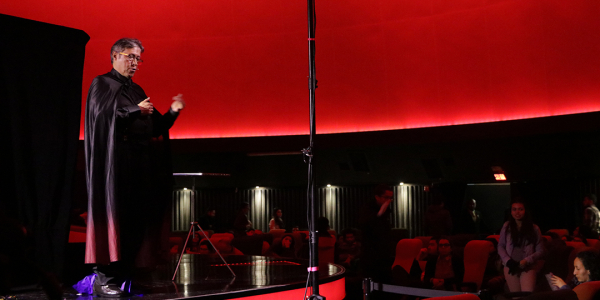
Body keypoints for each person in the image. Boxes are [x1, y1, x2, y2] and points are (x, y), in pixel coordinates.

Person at [84, 38, 186, 296]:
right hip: (116, 164)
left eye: (138, 58)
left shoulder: (138, 89)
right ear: (115, 55)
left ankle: (125, 276)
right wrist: (133, 110)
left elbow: (156, 128)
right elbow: (102, 118)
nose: (135, 63)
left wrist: (172, 112)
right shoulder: (101, 83)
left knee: (136, 220)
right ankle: (104, 278)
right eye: (130, 56)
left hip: (141, 164)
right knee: (116, 217)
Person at [498, 198, 544, 292]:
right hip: (511, 266)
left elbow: (540, 250)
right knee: (515, 296)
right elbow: (500, 246)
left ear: (525, 211)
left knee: (527, 295)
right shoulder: (507, 226)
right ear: (511, 211)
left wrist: (526, 260)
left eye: (520, 209)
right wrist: (508, 261)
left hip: (527, 266)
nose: (517, 212)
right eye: (514, 209)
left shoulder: (534, 228)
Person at [359, 184, 394, 282]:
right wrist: (380, 213)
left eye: (390, 198)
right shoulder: (367, 209)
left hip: (384, 253)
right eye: (386, 197)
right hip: (370, 254)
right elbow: (366, 226)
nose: (388, 201)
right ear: (377, 197)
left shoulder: (387, 211)